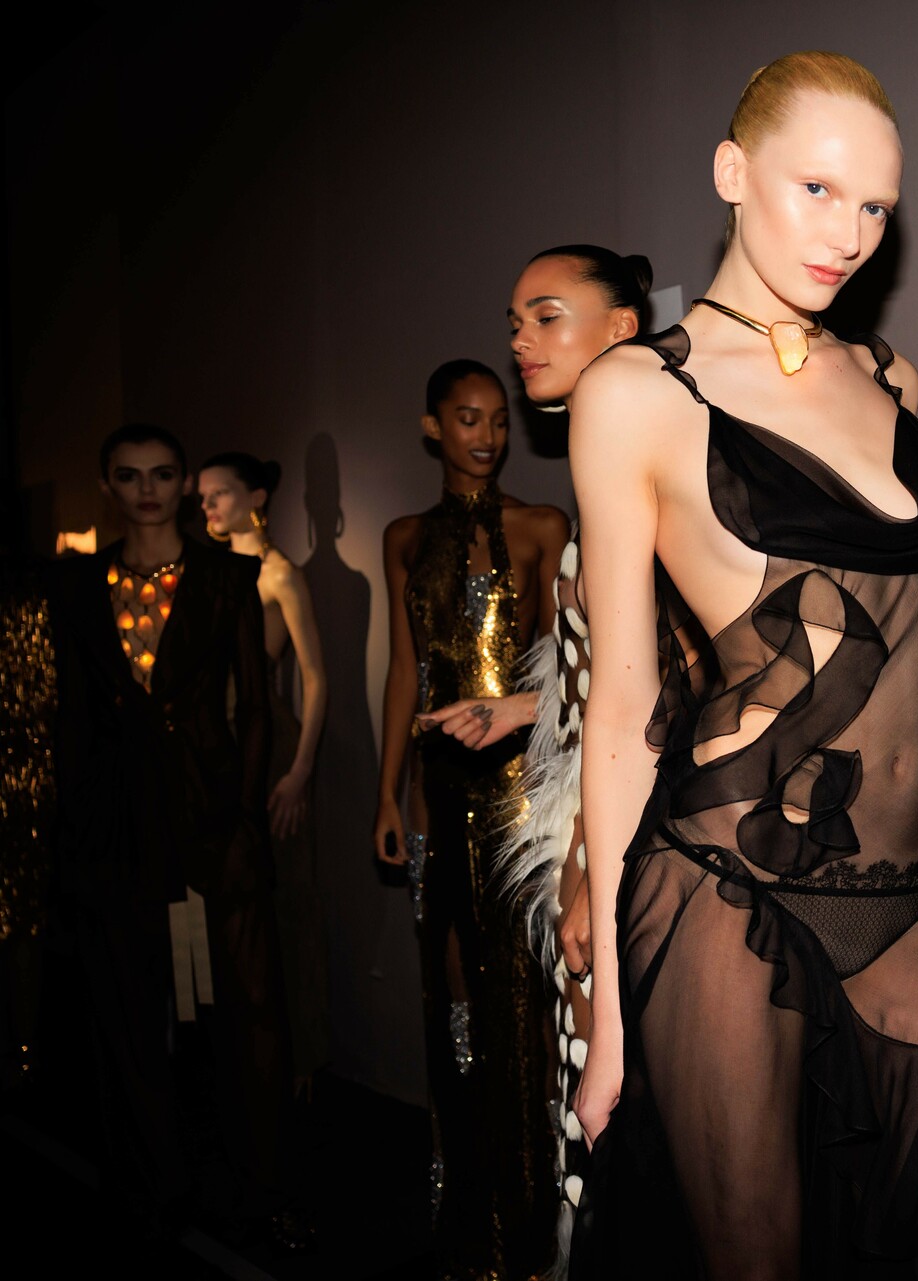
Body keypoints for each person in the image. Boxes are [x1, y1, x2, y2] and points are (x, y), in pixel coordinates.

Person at [565, 51, 918, 1278]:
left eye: (876, 208)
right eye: (817, 190)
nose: (848, 235)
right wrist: (610, 1023)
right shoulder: (637, 393)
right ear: (732, 172)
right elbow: (623, 711)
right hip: (727, 886)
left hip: (910, 893)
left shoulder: (888, 375)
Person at [431, 243, 649, 1263]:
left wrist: (589, 875)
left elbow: (663, 702)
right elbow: (603, 671)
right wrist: (520, 708)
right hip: (593, 828)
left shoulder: (646, 468)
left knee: (617, 1122)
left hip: (631, 846)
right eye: (515, 319)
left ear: (622, 330)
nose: (520, 338)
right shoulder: (607, 469)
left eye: (546, 315)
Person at [48, 423, 295, 1239]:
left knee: (248, 1003)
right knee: (126, 1006)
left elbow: (255, 706)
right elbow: (72, 714)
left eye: (161, 474)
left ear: (183, 483)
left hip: (212, 808)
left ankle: (261, 1185)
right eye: (129, 475)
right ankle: (151, 1182)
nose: (146, 489)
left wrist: (246, 812)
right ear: (108, 485)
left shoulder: (227, 575)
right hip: (114, 817)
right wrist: (75, 823)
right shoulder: (77, 585)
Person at [371, 361, 570, 1279]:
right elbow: (404, 672)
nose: (486, 435)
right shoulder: (404, 537)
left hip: (520, 798)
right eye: (467, 418)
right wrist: (387, 792)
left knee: (522, 1006)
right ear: (433, 427)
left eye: (497, 418)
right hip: (437, 797)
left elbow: (566, 670)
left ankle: (530, 1228)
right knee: (452, 1002)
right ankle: (468, 1219)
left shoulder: (542, 526)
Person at [199, 451, 330, 1091]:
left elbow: (315, 678)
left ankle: (301, 1061)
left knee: (288, 902)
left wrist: (300, 771)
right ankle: (241, 1057)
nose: (208, 506)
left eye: (219, 493)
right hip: (213, 744)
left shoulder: (279, 574)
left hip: (270, 744)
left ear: (255, 497)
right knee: (226, 901)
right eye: (202, 497)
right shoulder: (205, 574)